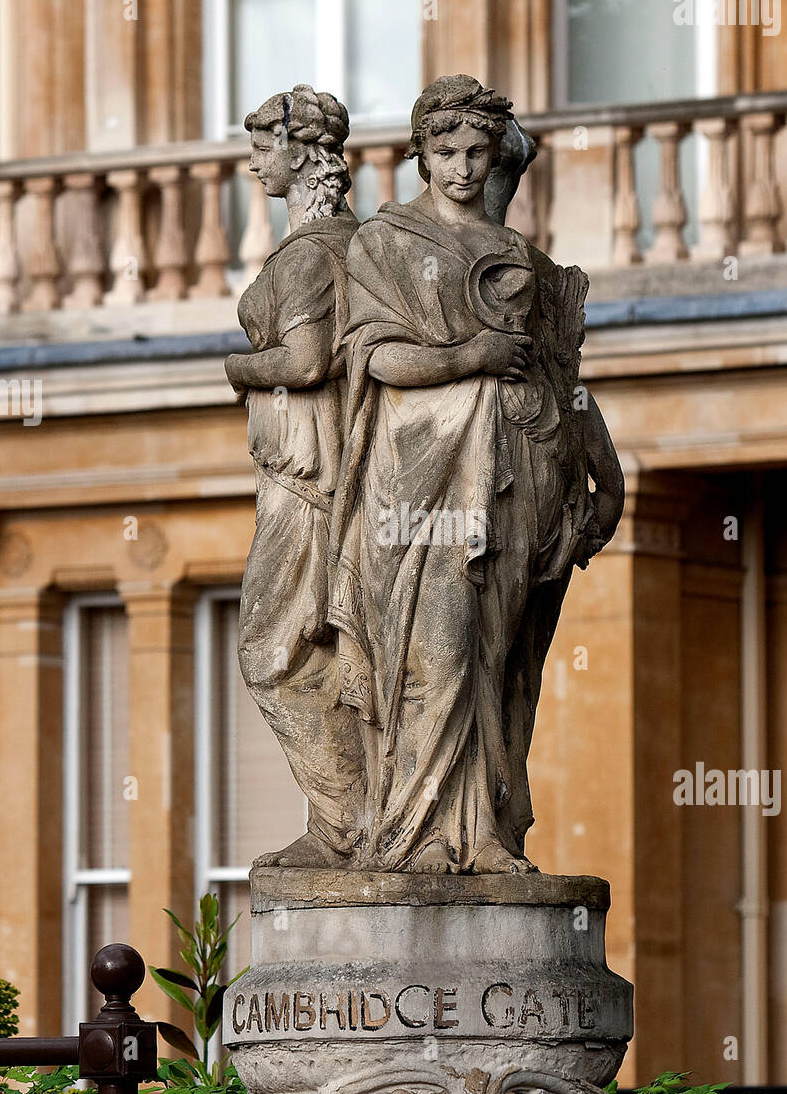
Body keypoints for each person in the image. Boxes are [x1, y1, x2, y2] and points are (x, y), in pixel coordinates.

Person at [327, 75, 623, 874]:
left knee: (498, 657)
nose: (462, 167)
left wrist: (606, 477)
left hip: (517, 471)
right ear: (419, 154)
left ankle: (485, 832)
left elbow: (565, 381)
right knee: (436, 648)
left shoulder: (521, 258)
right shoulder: (383, 244)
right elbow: (371, 356)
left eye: (477, 153)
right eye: (446, 151)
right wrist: (467, 357)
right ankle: (418, 834)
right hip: (420, 481)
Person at [224, 84, 364, 867]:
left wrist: (237, 367)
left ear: (300, 150)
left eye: (260, 150)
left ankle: (345, 825)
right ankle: (349, 820)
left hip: (305, 477)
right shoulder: (351, 244)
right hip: (313, 471)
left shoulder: (312, 254)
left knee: (271, 651)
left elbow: (306, 361)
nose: (253, 168)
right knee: (326, 649)